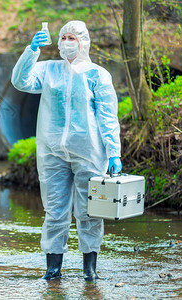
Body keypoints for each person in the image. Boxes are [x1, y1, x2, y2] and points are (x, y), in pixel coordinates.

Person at [11, 20, 122, 281]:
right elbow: (20, 81)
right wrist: (31, 51)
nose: (67, 42)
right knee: (55, 210)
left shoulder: (98, 75)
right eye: (64, 37)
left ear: (84, 42)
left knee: (90, 211)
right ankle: (53, 270)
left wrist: (114, 151)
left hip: (90, 151)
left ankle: (89, 270)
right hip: (52, 152)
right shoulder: (48, 70)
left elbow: (108, 116)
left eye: (72, 38)